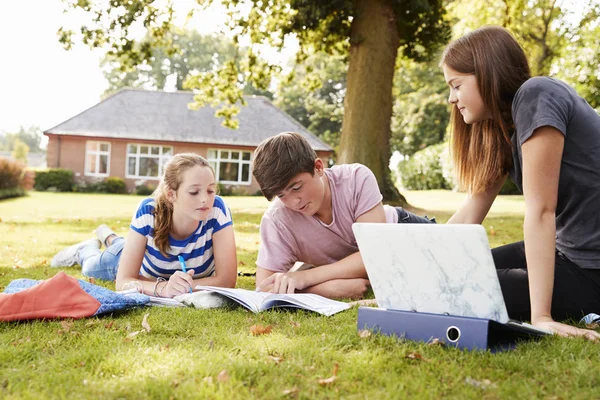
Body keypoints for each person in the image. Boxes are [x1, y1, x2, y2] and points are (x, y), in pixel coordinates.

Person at [441, 26, 600, 339]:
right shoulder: (504, 127)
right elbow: (472, 209)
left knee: (457, 284)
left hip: (592, 269)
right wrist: (422, 263)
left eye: (456, 85)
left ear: (486, 72)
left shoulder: (537, 94)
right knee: (446, 274)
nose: (451, 98)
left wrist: (541, 317)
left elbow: (541, 211)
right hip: (565, 252)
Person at [252, 132, 434, 299]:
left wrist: (306, 277)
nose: (294, 202)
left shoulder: (356, 179)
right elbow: (264, 287)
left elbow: (374, 255)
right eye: (282, 195)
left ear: (318, 167)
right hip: (375, 269)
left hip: (403, 233)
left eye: (297, 187)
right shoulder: (277, 220)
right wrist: (324, 290)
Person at [51, 153, 237, 298]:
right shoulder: (148, 212)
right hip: (124, 260)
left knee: (122, 243)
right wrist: (164, 289)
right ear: (171, 194)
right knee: (91, 266)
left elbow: (227, 280)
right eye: (194, 192)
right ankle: (85, 249)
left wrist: (182, 287)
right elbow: (123, 281)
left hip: (137, 247)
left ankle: (109, 236)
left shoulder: (217, 210)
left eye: (211, 190)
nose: (205, 199)